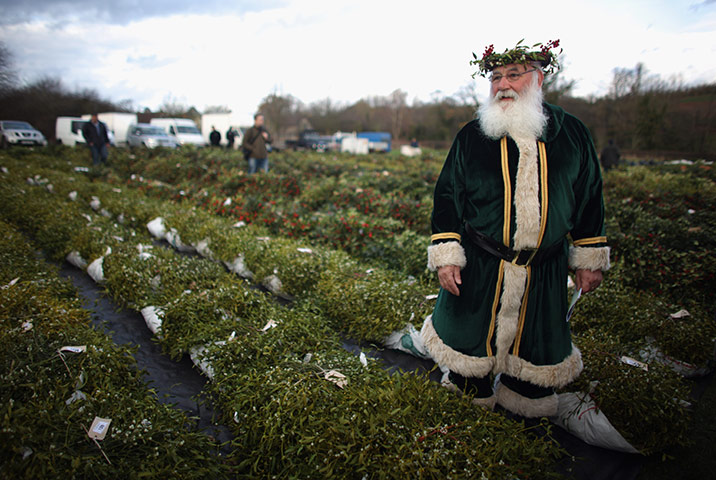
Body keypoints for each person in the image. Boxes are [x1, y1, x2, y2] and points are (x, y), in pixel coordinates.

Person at [422, 40, 610, 418]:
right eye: (494, 77)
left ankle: (524, 404)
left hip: (545, 269)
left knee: (533, 365)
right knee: (468, 360)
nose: (502, 84)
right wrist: (446, 256)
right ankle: (467, 403)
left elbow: (590, 197)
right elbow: (447, 198)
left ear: (538, 79)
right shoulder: (472, 136)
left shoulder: (572, 134)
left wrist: (589, 257)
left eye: (513, 75)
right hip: (481, 265)